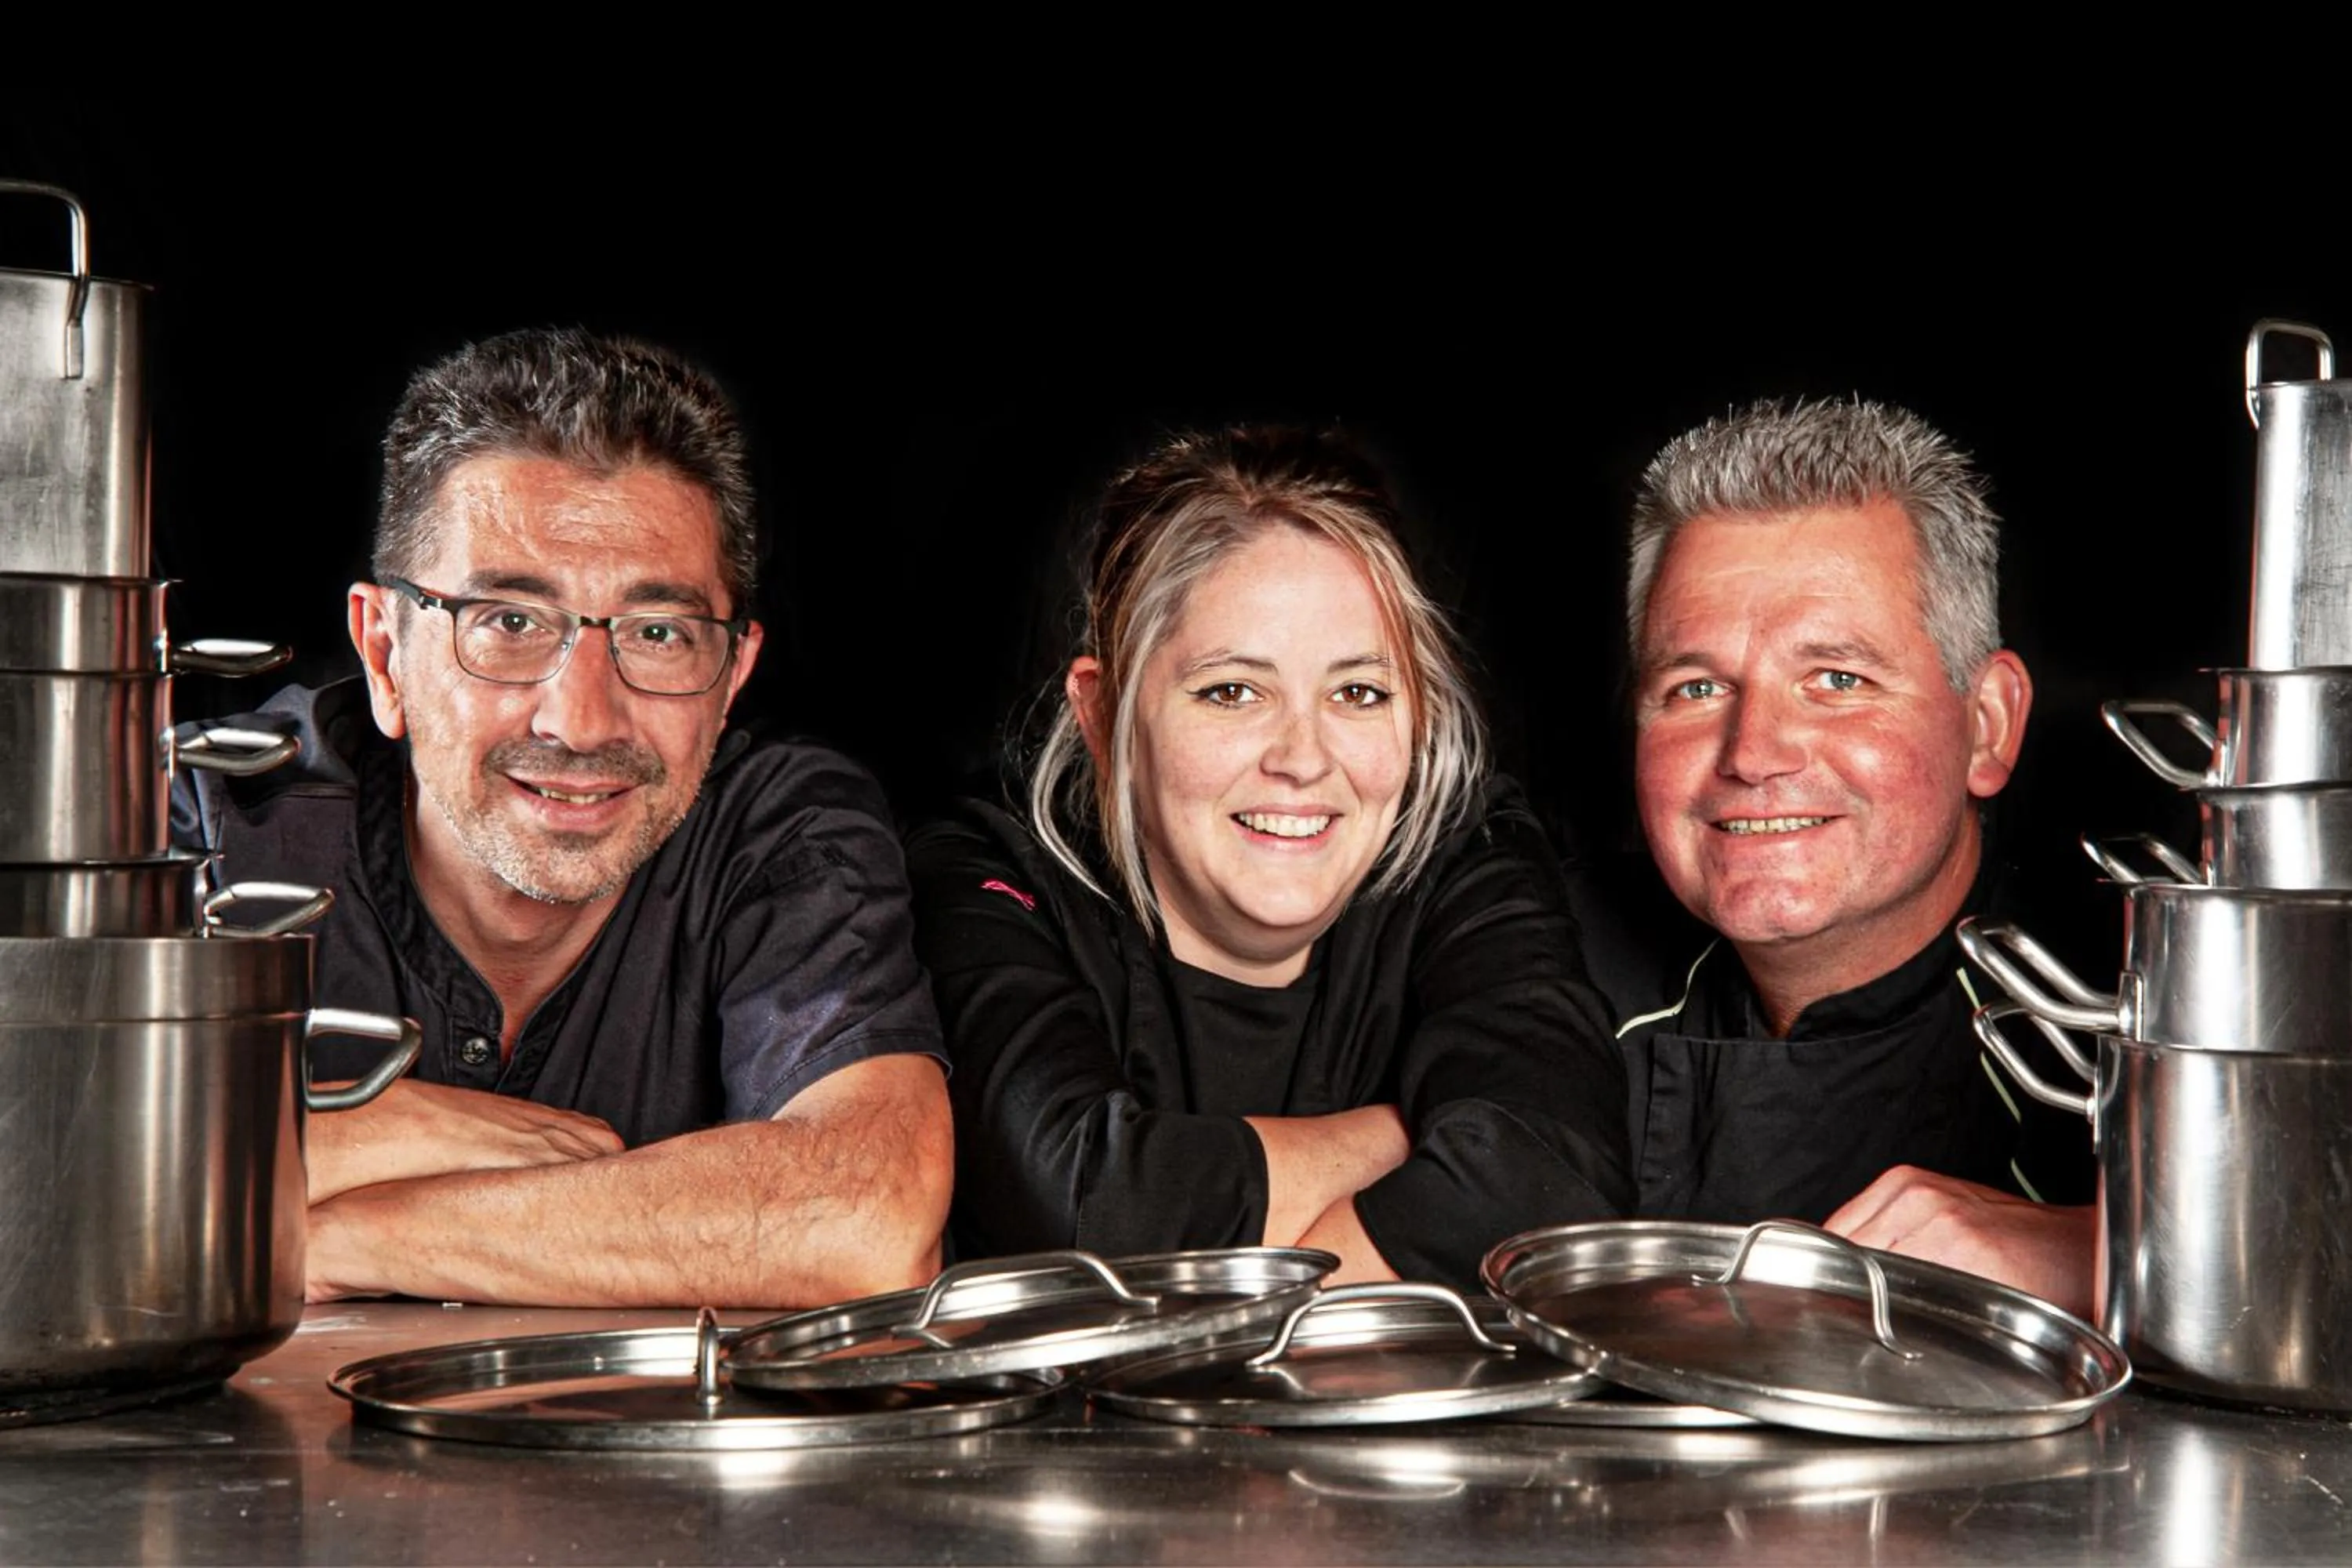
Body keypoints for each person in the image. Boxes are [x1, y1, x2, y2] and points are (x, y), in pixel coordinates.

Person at [173, 327, 953, 1308]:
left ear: (732, 676)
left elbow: (867, 1214)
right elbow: (43, 1170)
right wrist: (396, 1127)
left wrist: (320, 1232)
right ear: (384, 654)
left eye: (659, 632)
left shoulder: (782, 832)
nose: (581, 721)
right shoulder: (209, 818)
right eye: (508, 621)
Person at [906, 425, 1631, 1289]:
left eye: (1358, 691)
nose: (1303, 758)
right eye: (1232, 691)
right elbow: (1073, 1202)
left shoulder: (1464, 853)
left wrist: (1177, 1231)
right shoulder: (985, 867)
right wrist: (1426, 1145)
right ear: (1103, 717)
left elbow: (1557, 1175)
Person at [1594, 397, 2096, 1312]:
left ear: (1988, 724)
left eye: (1837, 679)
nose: (1753, 753)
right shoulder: (1545, 960)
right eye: (1697, 687)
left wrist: (2110, 1256)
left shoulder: (2130, 1007)